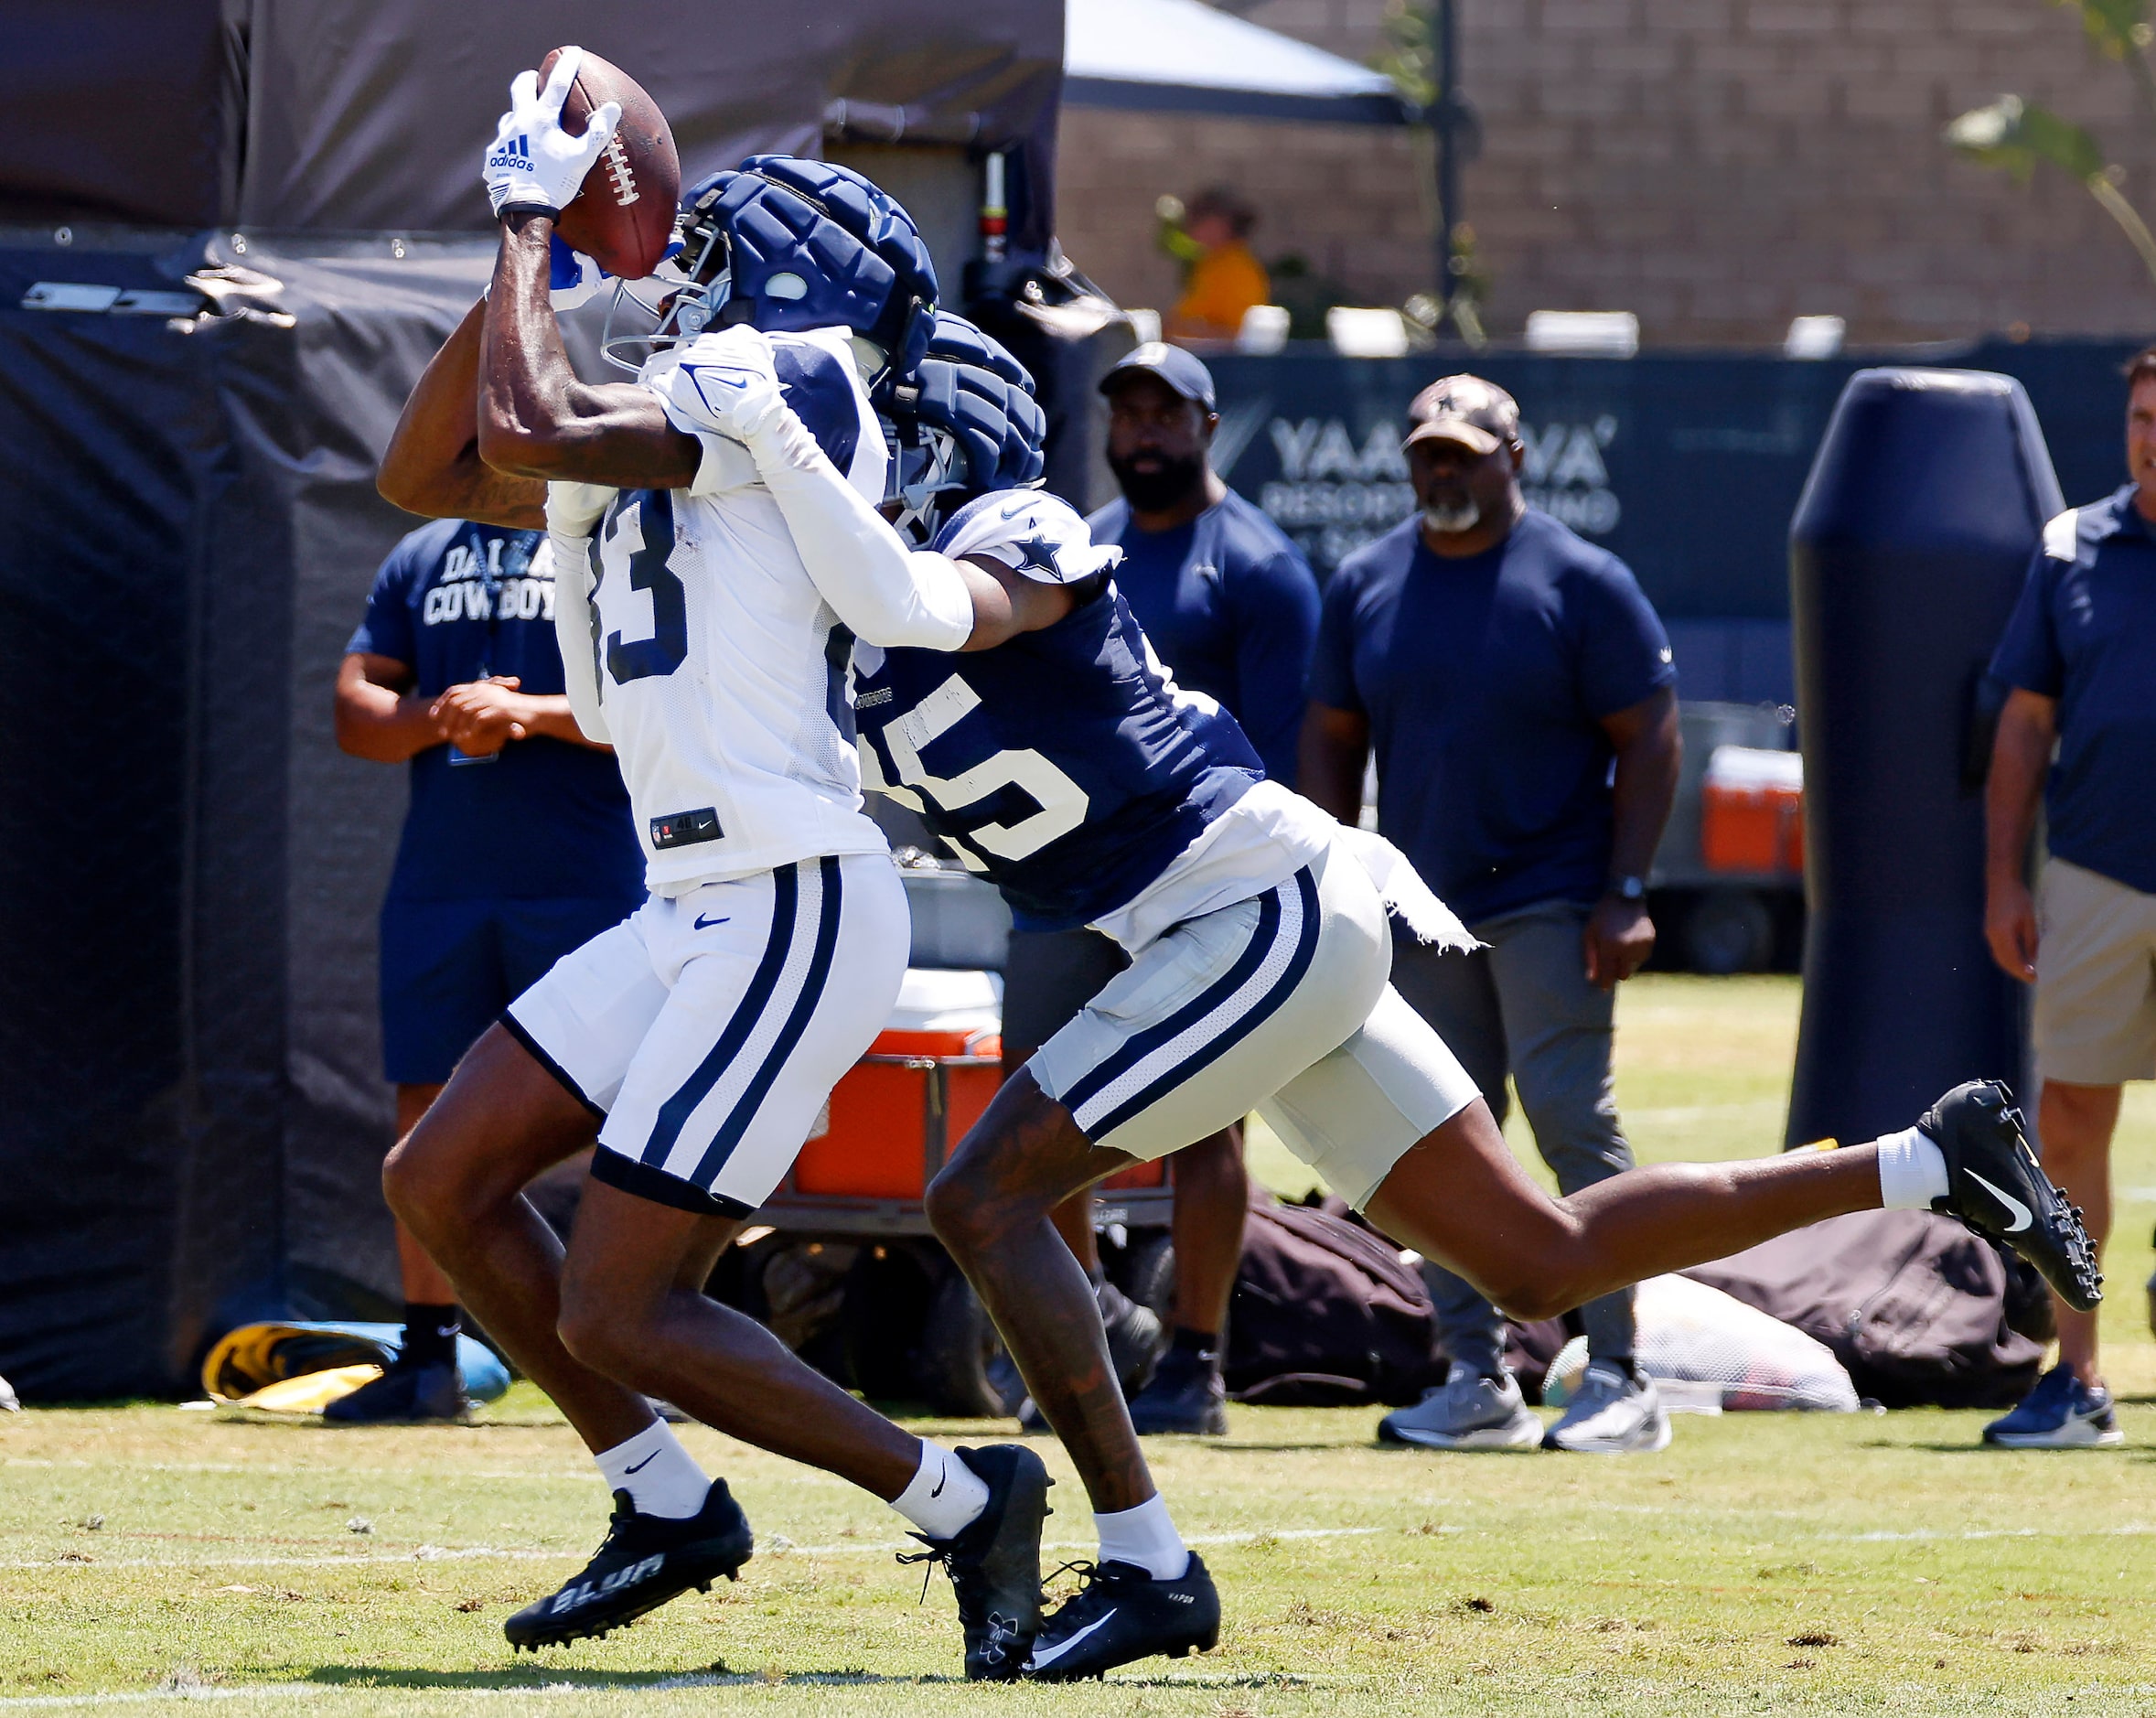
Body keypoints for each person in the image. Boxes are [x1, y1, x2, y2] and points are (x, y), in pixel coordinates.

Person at [714, 315, 2100, 1681]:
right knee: (1537, 1258)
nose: (857, 461)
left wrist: (774, 441)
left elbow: (916, 605)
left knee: (980, 1195)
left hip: (1249, 907)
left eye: (875, 437)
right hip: (1232, 928)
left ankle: (1144, 1559)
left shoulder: (1007, 532)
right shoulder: (860, 613)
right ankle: (1930, 1158)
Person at [375, 74, 1047, 1680]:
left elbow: (530, 426)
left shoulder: (792, 379)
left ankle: (967, 1497)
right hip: (691, 899)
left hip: (791, 896)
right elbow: (430, 472)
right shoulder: (672, 407)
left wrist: (536, 224)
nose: (691, 255)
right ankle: (661, 1497)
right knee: (438, 1179)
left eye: (724, 239)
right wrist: (534, 261)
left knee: (621, 1303)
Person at [1299, 375, 1682, 1456]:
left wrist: (1625, 890)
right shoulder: (1368, 581)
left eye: (1464, 452)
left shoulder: (1582, 581)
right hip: (1419, 915)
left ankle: (1616, 1373)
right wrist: (1334, 880)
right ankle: (1478, 1377)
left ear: (1514, 456)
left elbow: (1647, 737)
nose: (1442, 468)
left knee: (1569, 1125)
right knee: (1431, 1147)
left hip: (1552, 903)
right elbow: (1329, 737)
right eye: (1428, 451)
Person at [1013, 342, 1318, 1435]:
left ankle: (1196, 1361)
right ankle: (1079, 1353)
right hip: (1063, 877)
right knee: (1041, 1121)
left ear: (1205, 423)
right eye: (1125, 413)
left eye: (1164, 413)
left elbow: (1285, 750)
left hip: (1195, 878)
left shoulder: (1257, 565)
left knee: (1205, 1123)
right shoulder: (1074, 545)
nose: (1141, 431)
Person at [332, 515, 644, 1423]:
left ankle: (640, 1336)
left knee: (630, 1105)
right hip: (443, 882)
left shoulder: (610, 534)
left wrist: (530, 714)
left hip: (588, 879)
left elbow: (660, 703)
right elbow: (356, 712)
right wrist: (442, 714)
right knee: (426, 1102)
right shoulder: (420, 554)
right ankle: (428, 1358)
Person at [1979, 343, 2156, 1450]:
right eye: (2140, 416)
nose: (2149, 435)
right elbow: (2024, 722)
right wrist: (2004, 875)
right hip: (2091, 872)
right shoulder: (2070, 545)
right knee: (2069, 1119)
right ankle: (2075, 1378)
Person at [1165, 187, 1269, 345]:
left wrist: (1188, 336)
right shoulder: (1208, 263)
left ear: (1220, 224)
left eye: (1197, 221)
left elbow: (1238, 336)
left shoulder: (1239, 270)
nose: (1190, 228)